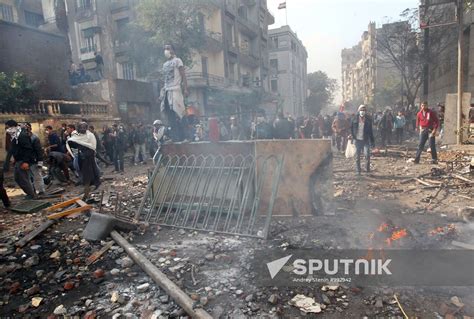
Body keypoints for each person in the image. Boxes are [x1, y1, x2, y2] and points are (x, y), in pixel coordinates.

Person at [160, 44, 188, 141]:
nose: (166, 50)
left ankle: (187, 137)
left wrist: (186, 88)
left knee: (181, 112)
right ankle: (174, 138)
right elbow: (165, 80)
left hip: (176, 90)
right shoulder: (164, 65)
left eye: (168, 48)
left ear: (173, 50)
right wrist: (162, 92)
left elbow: (183, 75)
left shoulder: (178, 61)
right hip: (167, 91)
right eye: (165, 49)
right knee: (169, 114)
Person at [66, 122, 100, 200]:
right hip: (82, 157)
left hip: (88, 157)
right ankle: (87, 190)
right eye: (81, 128)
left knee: (90, 172)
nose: (82, 129)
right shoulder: (78, 136)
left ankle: (87, 191)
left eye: (84, 127)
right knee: (82, 171)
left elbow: (92, 146)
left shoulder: (90, 135)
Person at [5, 120, 36, 199]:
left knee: (23, 179)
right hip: (19, 160)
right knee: (17, 178)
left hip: (23, 160)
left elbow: (28, 149)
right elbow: (17, 149)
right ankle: (30, 193)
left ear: (13, 127)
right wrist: (15, 159)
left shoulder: (22, 135)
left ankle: (31, 195)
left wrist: (26, 162)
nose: (7, 129)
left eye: (7, 127)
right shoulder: (15, 136)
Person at [351, 105, 375, 175]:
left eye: (364, 110)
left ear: (365, 111)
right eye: (361, 110)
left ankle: (367, 170)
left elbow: (370, 131)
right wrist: (352, 137)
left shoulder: (368, 120)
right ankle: (358, 171)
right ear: (359, 110)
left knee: (367, 155)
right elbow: (351, 129)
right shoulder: (354, 119)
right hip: (357, 140)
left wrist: (372, 141)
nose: (362, 111)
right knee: (357, 157)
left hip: (365, 140)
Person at [26, 123, 45, 195]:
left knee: (37, 176)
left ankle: (41, 191)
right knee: (30, 177)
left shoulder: (34, 138)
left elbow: (38, 150)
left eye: (27, 128)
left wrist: (40, 161)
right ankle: (34, 190)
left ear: (30, 128)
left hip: (34, 160)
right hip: (28, 161)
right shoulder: (24, 138)